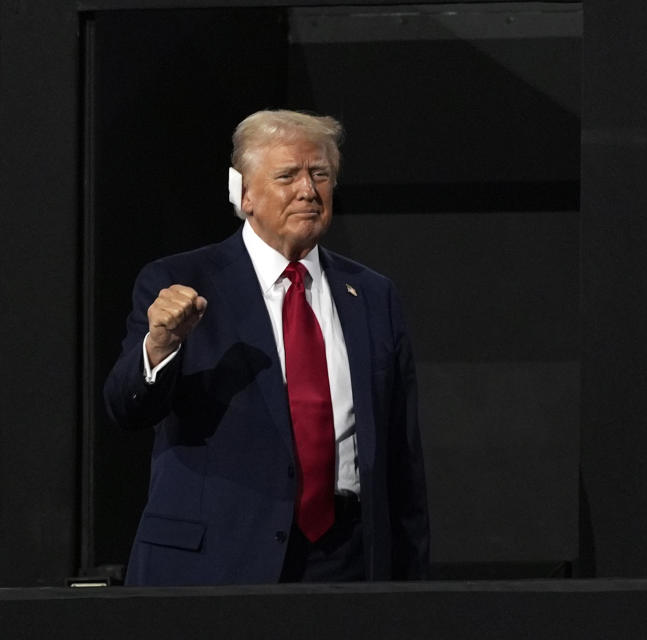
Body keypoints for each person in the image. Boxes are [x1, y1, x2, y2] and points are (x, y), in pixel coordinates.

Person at [103, 109, 428, 585]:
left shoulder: (373, 295)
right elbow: (126, 408)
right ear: (244, 194)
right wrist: (161, 345)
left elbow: (403, 459)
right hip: (216, 562)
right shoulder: (180, 281)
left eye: (321, 174)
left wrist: (413, 587)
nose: (308, 190)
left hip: (346, 564)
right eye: (288, 175)